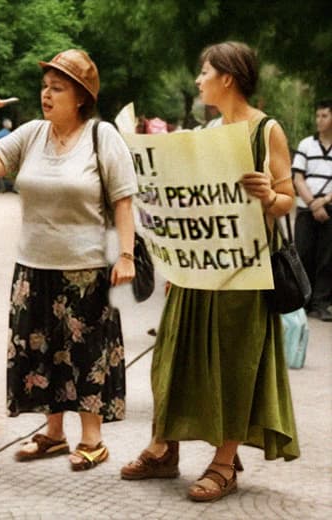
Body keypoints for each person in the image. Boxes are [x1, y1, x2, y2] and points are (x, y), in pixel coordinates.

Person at [121, 41, 299, 503]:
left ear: (228, 77)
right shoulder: (209, 130)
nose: (199, 80)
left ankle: (224, 464)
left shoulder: (267, 131)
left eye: (205, 72)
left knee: (234, 368)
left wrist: (267, 197)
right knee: (169, 362)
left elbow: (286, 200)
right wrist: (173, 251)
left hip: (245, 276)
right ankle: (163, 450)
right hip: (196, 274)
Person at [0, 49, 137, 471]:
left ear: (80, 96)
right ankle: (52, 434)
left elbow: (123, 201)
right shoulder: (32, 134)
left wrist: (125, 255)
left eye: (57, 88)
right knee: (42, 351)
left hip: (85, 269)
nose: (46, 95)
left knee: (85, 353)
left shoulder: (102, 138)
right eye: (45, 87)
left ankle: (93, 439)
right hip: (33, 266)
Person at [292, 100, 332, 321]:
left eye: (324, 116)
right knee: (303, 253)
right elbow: (298, 178)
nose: (319, 120)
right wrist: (312, 204)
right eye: (317, 116)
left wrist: (324, 201)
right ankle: (302, 301)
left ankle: (321, 302)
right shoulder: (306, 144)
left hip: (329, 209)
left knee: (327, 258)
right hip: (306, 209)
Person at [0, 118, 14, 192]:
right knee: (10, 171)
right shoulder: (11, 134)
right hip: (8, 154)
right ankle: (14, 187)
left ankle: (2, 188)